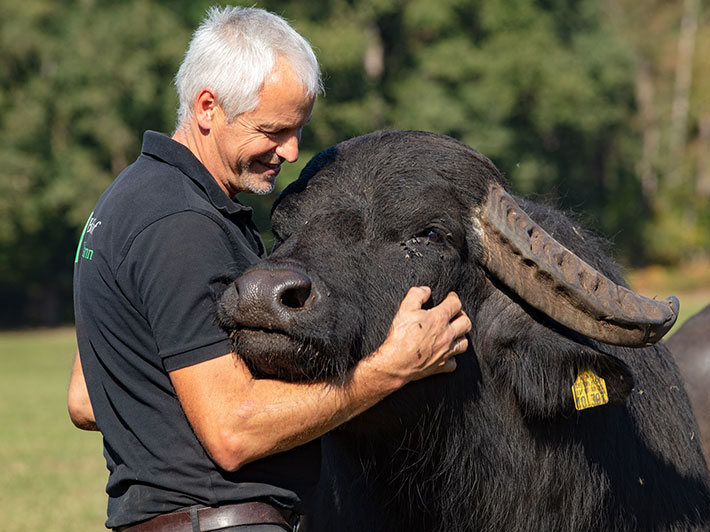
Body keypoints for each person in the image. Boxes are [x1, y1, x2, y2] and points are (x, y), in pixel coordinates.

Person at [68, 6, 471, 532]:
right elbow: (233, 434)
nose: (291, 150)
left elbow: (85, 396)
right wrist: (389, 369)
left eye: (298, 129)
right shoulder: (183, 225)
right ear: (207, 107)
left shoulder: (124, 202)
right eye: (273, 130)